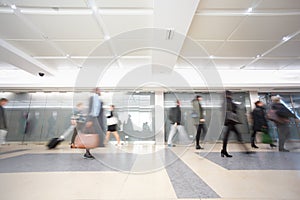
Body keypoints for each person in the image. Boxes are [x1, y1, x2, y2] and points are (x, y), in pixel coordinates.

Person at [221, 91, 249, 157]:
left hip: (230, 121)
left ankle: (224, 151)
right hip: (230, 121)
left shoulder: (225, 102)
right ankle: (245, 150)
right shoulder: (228, 102)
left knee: (234, 136)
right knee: (230, 136)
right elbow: (232, 109)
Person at [85, 87, 105, 159]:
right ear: (96, 91)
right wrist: (89, 120)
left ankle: (88, 152)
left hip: (96, 120)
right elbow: (91, 110)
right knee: (90, 136)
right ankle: (87, 152)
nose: (100, 91)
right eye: (99, 90)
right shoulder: (93, 98)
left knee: (94, 135)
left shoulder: (98, 99)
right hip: (92, 119)